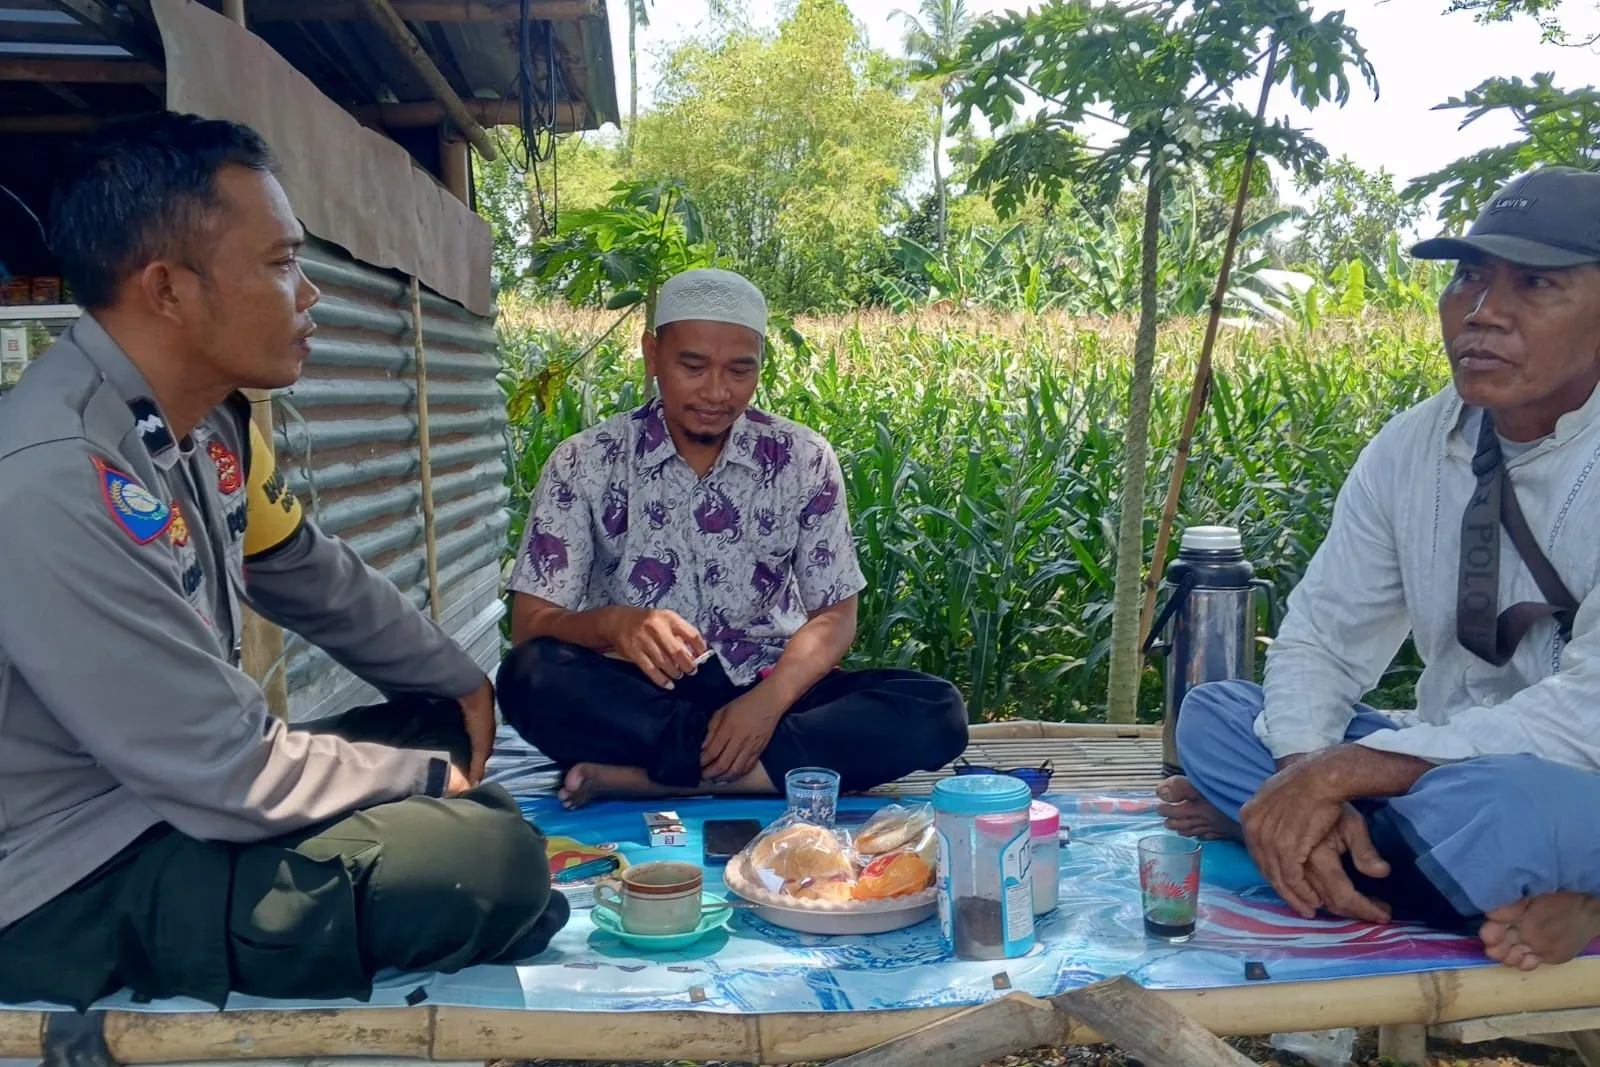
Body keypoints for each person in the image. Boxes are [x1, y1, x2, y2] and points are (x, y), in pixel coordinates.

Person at [0, 112, 568, 1011]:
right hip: (66, 873)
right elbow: (228, 768)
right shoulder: (57, 478)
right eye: (280, 263)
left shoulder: (196, 426)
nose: (311, 295)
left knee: (438, 734)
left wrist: (458, 683)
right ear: (168, 290)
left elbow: (304, 566)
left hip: (172, 789)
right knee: (491, 862)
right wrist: (434, 784)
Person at [1156, 166, 1600, 973]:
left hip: (1563, 780)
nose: (1481, 312)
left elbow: (1586, 719)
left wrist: (1352, 772)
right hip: (1439, 774)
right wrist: (1302, 775)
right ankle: (1433, 870)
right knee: (1216, 715)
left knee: (1507, 807)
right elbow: (1324, 638)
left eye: (1535, 283)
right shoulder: (1413, 447)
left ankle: (1557, 889)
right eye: (1468, 276)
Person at [498, 268, 968, 808]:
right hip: (647, 697)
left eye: (740, 371)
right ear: (652, 354)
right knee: (529, 678)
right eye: (692, 367)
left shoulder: (802, 458)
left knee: (937, 710)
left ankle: (658, 779)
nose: (717, 393)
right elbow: (531, 627)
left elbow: (836, 615)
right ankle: (761, 769)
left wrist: (767, 703)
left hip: (775, 686)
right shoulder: (585, 461)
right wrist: (614, 623)